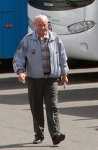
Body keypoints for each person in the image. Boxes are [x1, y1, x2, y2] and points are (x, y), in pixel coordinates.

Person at [13, 14, 69, 146]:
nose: (43, 27)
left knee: (52, 107)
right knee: (36, 108)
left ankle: (56, 135)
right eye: (40, 25)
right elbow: (18, 57)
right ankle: (39, 135)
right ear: (34, 26)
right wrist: (20, 72)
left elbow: (62, 57)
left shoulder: (56, 39)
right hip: (34, 80)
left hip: (52, 80)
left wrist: (64, 73)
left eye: (45, 25)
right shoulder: (27, 40)